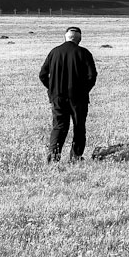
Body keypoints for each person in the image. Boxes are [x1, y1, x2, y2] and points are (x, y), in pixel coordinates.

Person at [39, 26, 97, 162]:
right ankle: (76, 157)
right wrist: (84, 91)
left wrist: (52, 89)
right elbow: (92, 76)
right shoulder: (84, 53)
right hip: (78, 98)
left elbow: (42, 75)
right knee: (79, 127)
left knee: (59, 126)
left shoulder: (54, 52)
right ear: (79, 39)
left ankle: (53, 157)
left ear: (65, 37)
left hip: (57, 97)